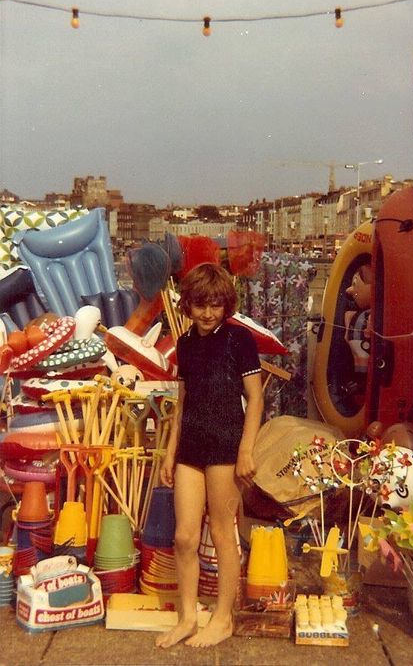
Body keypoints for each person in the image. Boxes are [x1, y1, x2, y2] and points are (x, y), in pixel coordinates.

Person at [155, 263, 264, 649]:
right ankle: (188, 616)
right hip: (191, 448)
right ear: (189, 305)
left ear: (226, 305)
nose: (208, 313)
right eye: (201, 304)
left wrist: (246, 449)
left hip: (225, 446)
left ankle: (222, 619)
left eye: (216, 305)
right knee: (184, 536)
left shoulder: (240, 340)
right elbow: (183, 403)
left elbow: (255, 398)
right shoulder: (185, 343)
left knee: (221, 532)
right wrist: (170, 452)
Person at [344, 263, 372, 394]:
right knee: (358, 360)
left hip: (364, 345)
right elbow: (348, 315)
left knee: (363, 361)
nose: (349, 291)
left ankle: (361, 382)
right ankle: (359, 381)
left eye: (355, 285)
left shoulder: (371, 314)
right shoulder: (357, 313)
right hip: (356, 345)